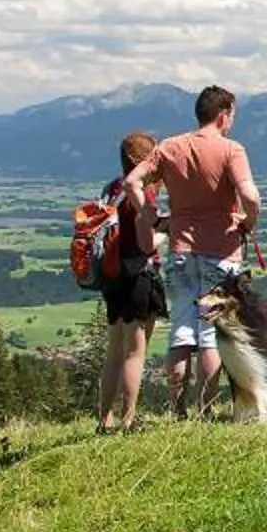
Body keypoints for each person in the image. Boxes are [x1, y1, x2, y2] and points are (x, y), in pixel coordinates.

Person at [124, 86, 262, 419]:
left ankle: (177, 409)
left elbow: (132, 182)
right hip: (222, 251)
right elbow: (251, 196)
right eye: (232, 115)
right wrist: (248, 221)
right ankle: (206, 410)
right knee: (211, 335)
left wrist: (153, 219)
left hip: (181, 250)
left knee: (182, 333)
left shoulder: (170, 147)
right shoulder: (231, 149)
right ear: (223, 114)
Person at [94, 129, 166, 433]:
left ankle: (104, 420)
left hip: (113, 275)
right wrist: (169, 231)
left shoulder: (111, 189)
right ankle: (129, 419)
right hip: (139, 276)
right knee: (136, 351)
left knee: (114, 350)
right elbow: (146, 242)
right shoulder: (142, 194)